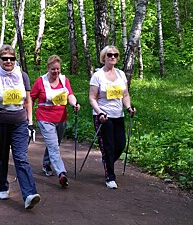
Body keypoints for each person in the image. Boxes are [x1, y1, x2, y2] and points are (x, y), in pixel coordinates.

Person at [0, 44, 41, 210]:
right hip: (0, 122)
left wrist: (30, 122)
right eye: (5, 58)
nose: (8, 61)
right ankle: (3, 186)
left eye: (11, 58)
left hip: (20, 121)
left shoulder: (22, 76)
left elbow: (28, 100)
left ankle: (29, 194)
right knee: (0, 156)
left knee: (21, 157)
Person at [88, 46, 136, 189]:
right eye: (110, 55)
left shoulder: (121, 74)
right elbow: (92, 98)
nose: (113, 57)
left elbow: (125, 95)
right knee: (108, 145)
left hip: (118, 115)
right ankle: (110, 176)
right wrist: (99, 112)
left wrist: (128, 107)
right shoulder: (98, 76)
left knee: (120, 144)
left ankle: (107, 161)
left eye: (115, 55)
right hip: (103, 116)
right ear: (104, 57)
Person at [31, 55, 81, 188]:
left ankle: (46, 164)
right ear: (48, 68)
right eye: (53, 69)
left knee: (54, 143)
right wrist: (28, 116)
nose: (56, 72)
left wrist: (74, 104)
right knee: (53, 146)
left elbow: (70, 95)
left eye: (58, 69)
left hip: (61, 118)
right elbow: (31, 98)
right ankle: (61, 173)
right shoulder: (40, 82)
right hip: (45, 118)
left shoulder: (64, 80)